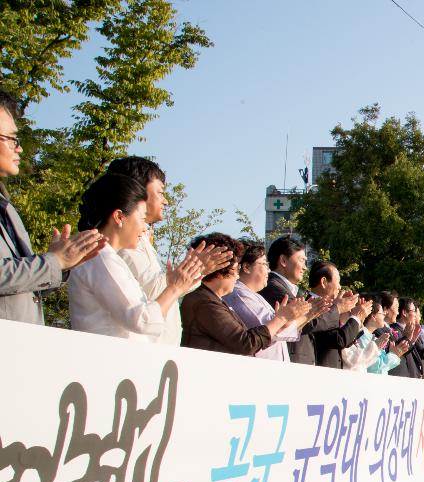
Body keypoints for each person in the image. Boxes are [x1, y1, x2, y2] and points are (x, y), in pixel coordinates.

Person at [0, 87, 105, 324]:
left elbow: (20, 292)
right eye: (12, 139)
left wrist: (61, 265)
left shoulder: (6, 207)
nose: (20, 148)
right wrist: (54, 261)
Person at [68, 173, 208, 341]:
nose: (144, 229)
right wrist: (174, 289)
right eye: (142, 219)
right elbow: (143, 321)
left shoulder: (106, 257)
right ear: (119, 217)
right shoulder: (101, 258)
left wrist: (178, 285)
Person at [179, 233, 312, 355]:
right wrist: (281, 319)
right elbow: (246, 343)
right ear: (220, 267)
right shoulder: (204, 302)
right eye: (235, 268)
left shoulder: (213, 299)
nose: (237, 275)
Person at [222, 241, 309, 361]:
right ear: (246, 267)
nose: (268, 271)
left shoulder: (253, 295)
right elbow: (270, 330)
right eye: (264, 264)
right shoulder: (239, 295)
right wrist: (287, 317)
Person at [260, 235, 307, 306]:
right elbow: (301, 314)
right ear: (283, 261)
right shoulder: (274, 288)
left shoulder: (278, 284)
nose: (305, 268)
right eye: (301, 260)